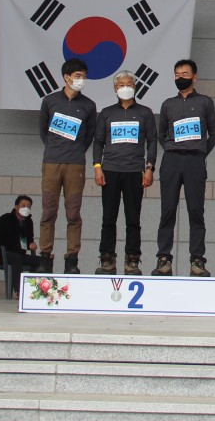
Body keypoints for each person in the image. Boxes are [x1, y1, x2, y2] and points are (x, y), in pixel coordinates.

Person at [154, 59, 215, 277]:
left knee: (196, 211)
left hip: (195, 161)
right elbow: (161, 134)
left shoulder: (205, 102)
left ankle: (197, 260)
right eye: (177, 74)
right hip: (171, 161)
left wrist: (200, 151)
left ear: (194, 77)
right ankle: (164, 259)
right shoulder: (168, 104)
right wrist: (172, 149)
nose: (180, 77)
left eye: (185, 74)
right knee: (167, 211)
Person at [93, 70, 158, 276]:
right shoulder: (106, 113)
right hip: (110, 170)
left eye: (129, 84)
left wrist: (149, 168)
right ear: (115, 88)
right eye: (121, 85)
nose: (125, 87)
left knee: (133, 218)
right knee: (108, 218)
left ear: (135, 87)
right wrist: (97, 167)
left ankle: (132, 260)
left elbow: (152, 141)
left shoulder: (145, 112)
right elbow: (98, 142)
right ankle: (107, 259)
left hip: (134, 171)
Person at [37, 57, 97, 274]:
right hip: (52, 162)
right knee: (48, 211)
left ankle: (72, 259)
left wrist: (75, 151)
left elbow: (89, 135)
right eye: (77, 76)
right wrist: (55, 148)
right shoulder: (50, 101)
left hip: (75, 164)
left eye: (84, 77)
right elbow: (43, 131)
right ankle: (45, 257)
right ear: (66, 77)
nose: (81, 80)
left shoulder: (88, 105)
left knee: (73, 214)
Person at [0, 195, 49, 293]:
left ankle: (36, 289)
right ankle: (19, 290)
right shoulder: (5, 219)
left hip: (20, 254)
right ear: (16, 207)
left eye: (28, 206)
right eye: (23, 205)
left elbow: (29, 239)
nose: (26, 208)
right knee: (16, 258)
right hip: (4, 254)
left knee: (41, 261)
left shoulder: (28, 222)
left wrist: (31, 244)